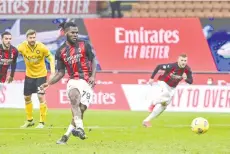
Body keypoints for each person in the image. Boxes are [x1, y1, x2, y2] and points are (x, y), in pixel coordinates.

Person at [38, 22, 97, 144]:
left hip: (87, 83)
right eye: (72, 32)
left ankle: (65, 136)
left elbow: (93, 60)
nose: (75, 34)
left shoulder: (84, 44)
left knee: (81, 110)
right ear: (65, 33)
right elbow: (60, 73)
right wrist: (48, 83)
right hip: (73, 81)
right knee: (74, 98)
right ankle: (80, 129)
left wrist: (93, 76)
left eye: (76, 32)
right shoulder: (61, 51)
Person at [17, 29, 55, 128]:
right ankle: (30, 120)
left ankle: (42, 122)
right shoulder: (22, 47)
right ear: (27, 38)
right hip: (29, 75)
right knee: (26, 97)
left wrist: (53, 72)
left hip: (41, 75)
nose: (32, 39)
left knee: (40, 96)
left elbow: (51, 57)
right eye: (30, 38)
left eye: (34, 37)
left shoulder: (42, 47)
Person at [143, 54, 193, 127]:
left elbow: (190, 81)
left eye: (185, 61)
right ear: (178, 60)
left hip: (172, 87)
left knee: (164, 106)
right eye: (182, 60)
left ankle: (146, 120)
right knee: (166, 94)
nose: (183, 62)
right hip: (163, 82)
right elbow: (158, 66)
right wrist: (151, 78)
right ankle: (153, 104)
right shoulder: (172, 66)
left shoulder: (187, 70)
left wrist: (185, 79)